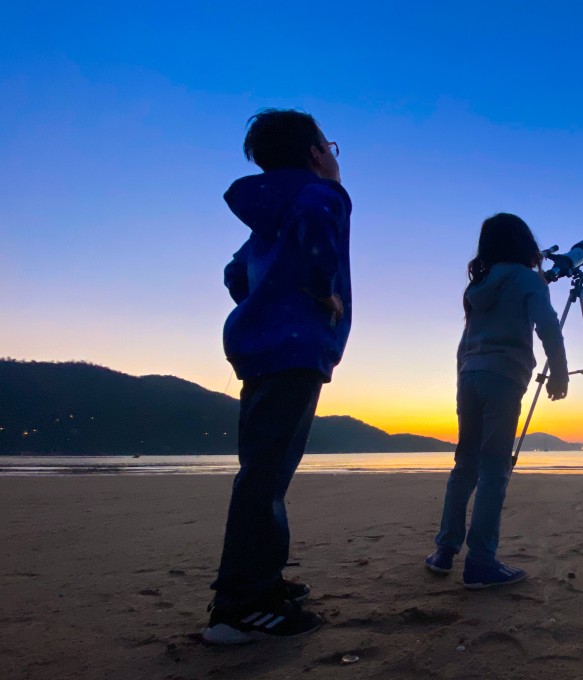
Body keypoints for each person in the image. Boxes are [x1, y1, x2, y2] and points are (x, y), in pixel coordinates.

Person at [202, 109, 353, 644]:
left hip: (260, 346)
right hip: (295, 347)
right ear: (317, 151)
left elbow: (234, 273)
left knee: (265, 471)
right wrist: (318, 289)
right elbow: (317, 222)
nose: (334, 154)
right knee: (265, 476)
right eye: (330, 145)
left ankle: (263, 582)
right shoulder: (320, 193)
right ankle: (240, 606)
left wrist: (264, 303)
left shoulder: (267, 213)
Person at [425, 213, 568, 588]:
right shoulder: (526, 279)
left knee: (465, 465)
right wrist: (560, 370)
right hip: (503, 376)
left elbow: (464, 341)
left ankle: (444, 551)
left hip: (469, 375)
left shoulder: (480, 284)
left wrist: (463, 378)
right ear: (524, 242)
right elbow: (548, 324)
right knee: (493, 469)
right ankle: (482, 562)